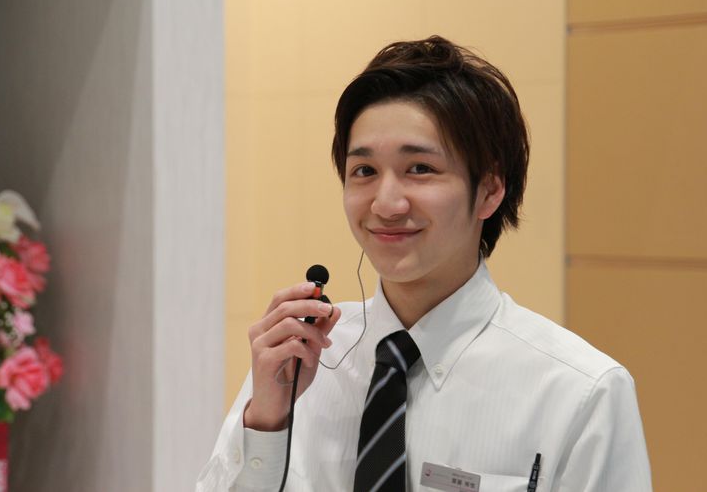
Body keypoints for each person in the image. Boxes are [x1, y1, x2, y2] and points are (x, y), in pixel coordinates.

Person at [196, 36, 652, 492]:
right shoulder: (302, 359)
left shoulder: (581, 391)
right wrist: (267, 421)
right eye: (364, 171)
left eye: (420, 169)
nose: (386, 204)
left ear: (490, 190)